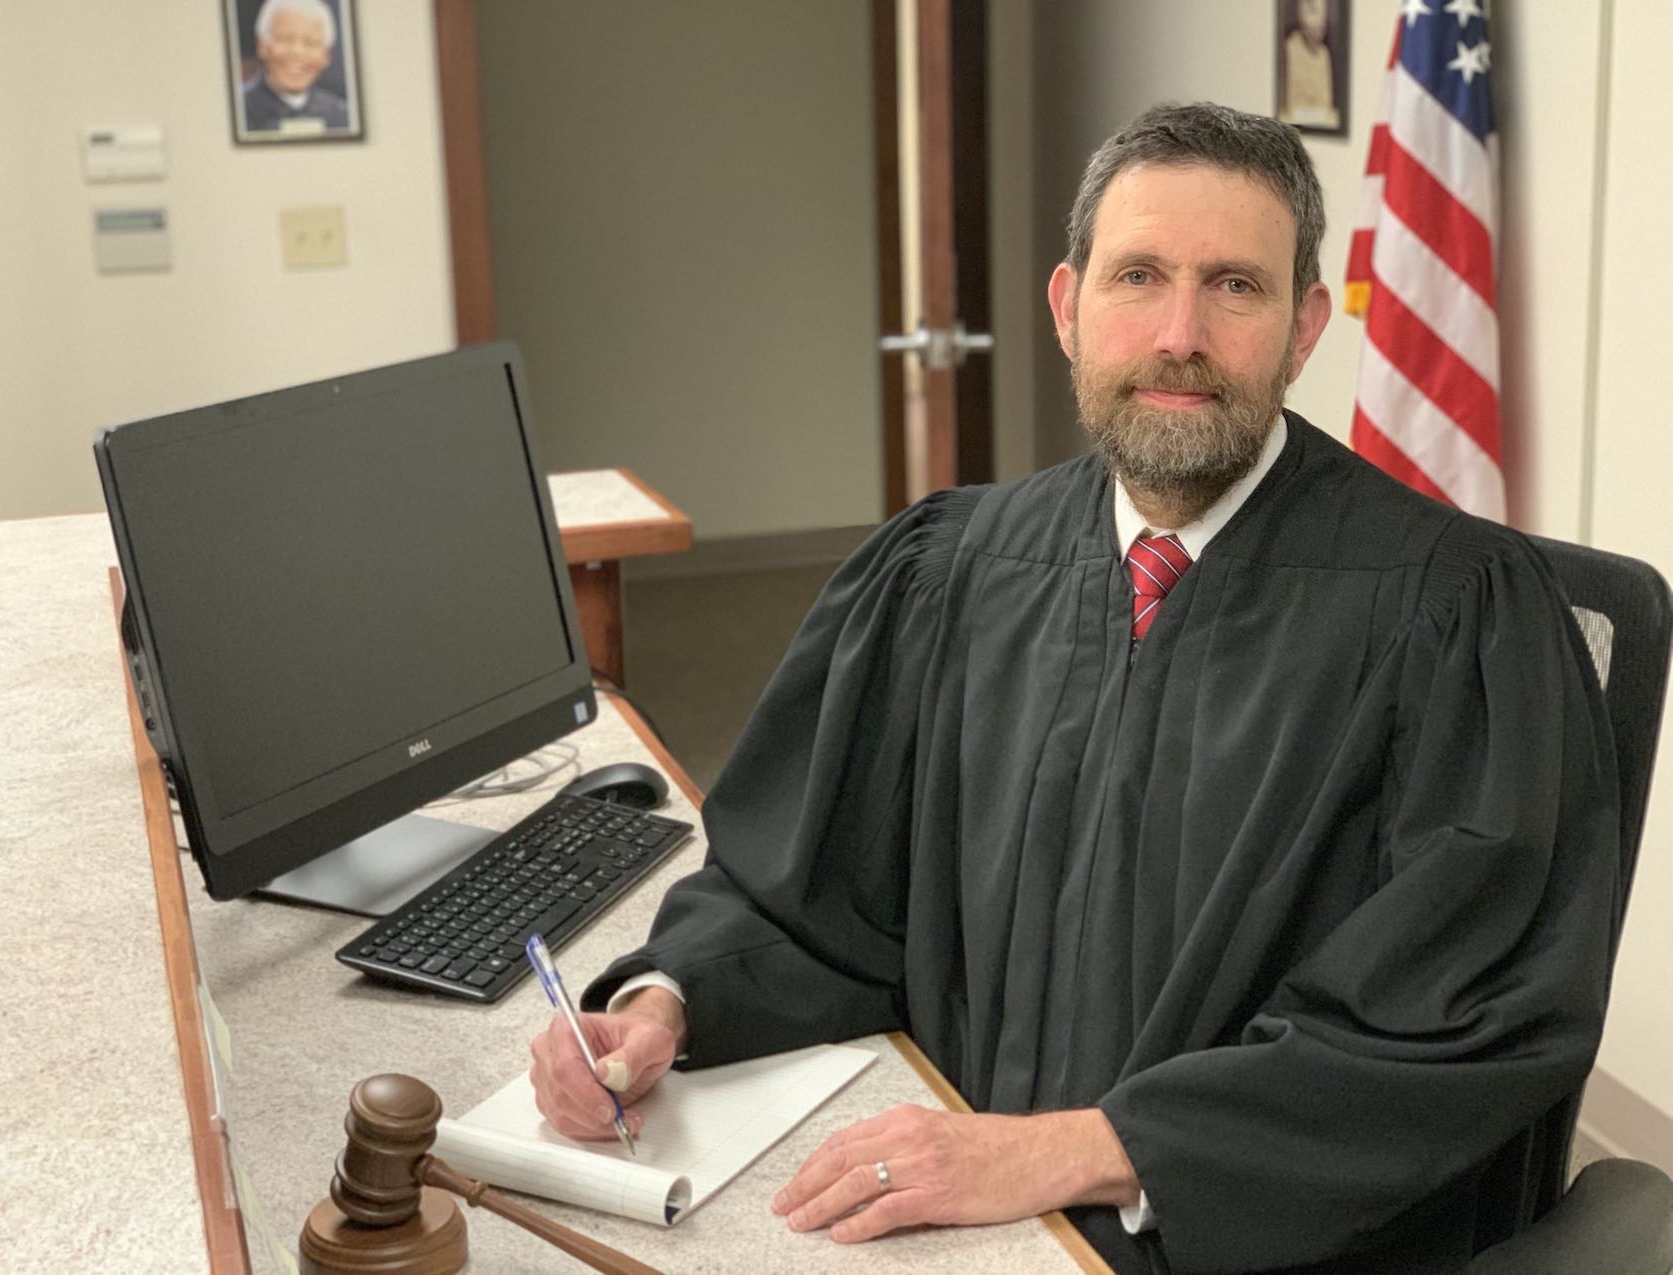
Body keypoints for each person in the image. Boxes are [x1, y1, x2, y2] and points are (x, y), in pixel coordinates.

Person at [529, 102, 1620, 1274]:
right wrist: (663, 1005)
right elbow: (810, 889)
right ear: (1067, 307)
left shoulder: (1449, 614)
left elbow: (1455, 1023)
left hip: (1252, 1239)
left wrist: (1086, 1150)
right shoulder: (946, 570)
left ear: (1305, 326)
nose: (1177, 335)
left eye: (1233, 288)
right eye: (1137, 277)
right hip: (960, 1212)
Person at [241, 0, 349, 134]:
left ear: (326, 55)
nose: (297, 52)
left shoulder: (343, 116)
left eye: (311, 43)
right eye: (284, 39)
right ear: (262, 46)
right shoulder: (238, 113)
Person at [1280, 0, 1341, 130]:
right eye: (1313, 11)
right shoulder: (1291, 48)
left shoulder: (1323, 54)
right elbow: (1295, 101)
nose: (1321, 24)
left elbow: (1325, 101)